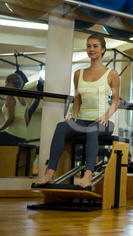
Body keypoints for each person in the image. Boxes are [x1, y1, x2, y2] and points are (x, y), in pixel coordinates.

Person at [35, 34, 120, 188]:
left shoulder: (111, 74)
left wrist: (105, 117)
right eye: (88, 46)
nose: (91, 49)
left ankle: (88, 175)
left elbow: (116, 102)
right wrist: (73, 115)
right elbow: (78, 99)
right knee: (61, 126)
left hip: (103, 122)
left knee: (93, 128)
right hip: (82, 120)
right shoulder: (78, 74)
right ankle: (50, 173)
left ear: (103, 50)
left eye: (95, 46)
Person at [0, 73, 29, 144]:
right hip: (23, 136)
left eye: (5, 83)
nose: (5, 85)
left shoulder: (10, 97)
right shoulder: (23, 99)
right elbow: (26, 121)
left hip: (13, 135)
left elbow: (12, 118)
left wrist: (0, 129)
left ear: (10, 83)